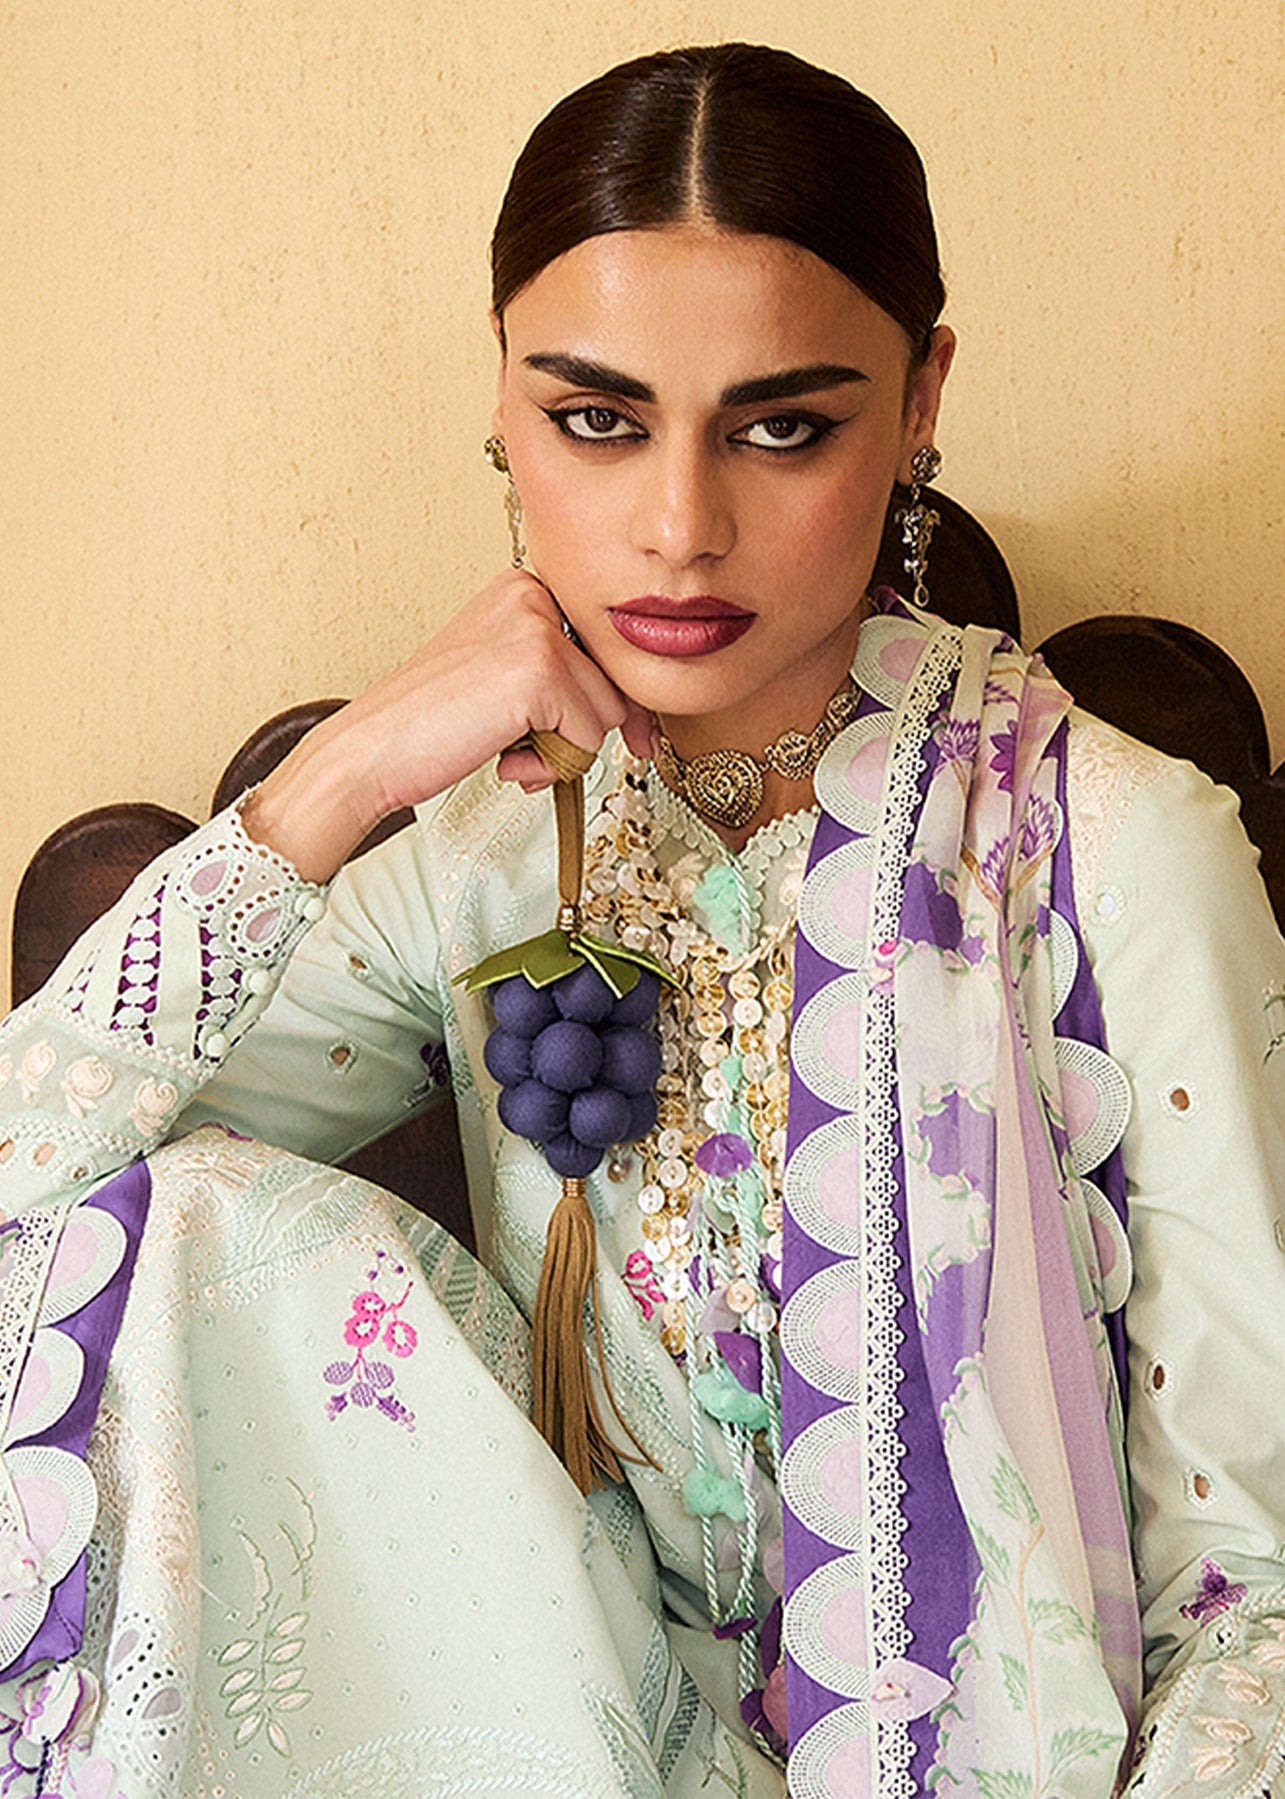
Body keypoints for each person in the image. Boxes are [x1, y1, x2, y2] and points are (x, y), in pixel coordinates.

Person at [1, 40, 1283, 1798]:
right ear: (504, 395)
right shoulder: (478, 857)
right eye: (596, 421)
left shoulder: (1114, 851)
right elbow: (28, 1199)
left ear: (919, 400)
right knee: (183, 1224)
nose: (678, 529)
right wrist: (339, 779)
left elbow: (1255, 1587)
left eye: (782, 426)